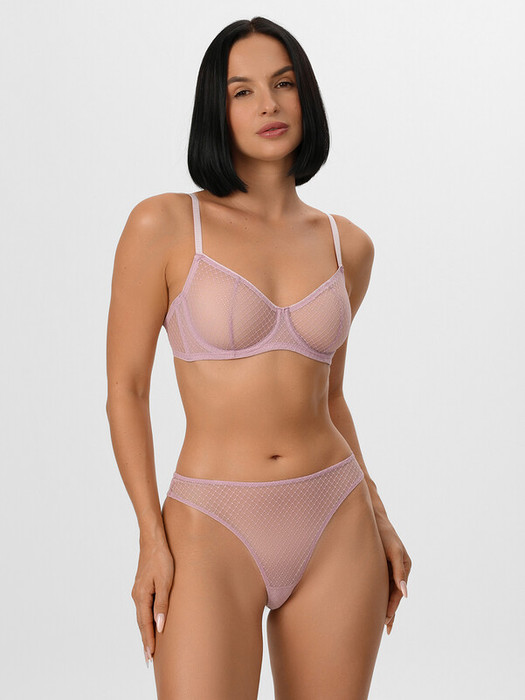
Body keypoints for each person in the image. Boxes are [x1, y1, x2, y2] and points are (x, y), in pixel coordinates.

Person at [106, 16, 412, 699]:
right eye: (241, 91)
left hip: (336, 515)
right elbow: (126, 390)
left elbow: (329, 398)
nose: (268, 104)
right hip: (210, 524)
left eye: (284, 83)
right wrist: (150, 538)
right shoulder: (165, 225)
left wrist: (379, 516)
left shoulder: (348, 246)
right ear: (215, 112)